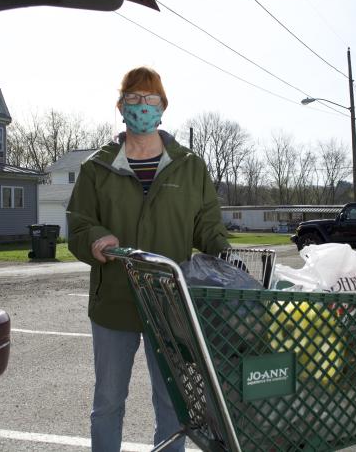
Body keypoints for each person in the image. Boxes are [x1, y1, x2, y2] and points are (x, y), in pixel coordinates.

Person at [66, 66, 229, 452]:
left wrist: (224, 253)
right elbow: (77, 225)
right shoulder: (96, 167)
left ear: (163, 107)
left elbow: (208, 226)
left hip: (170, 305)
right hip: (114, 304)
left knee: (172, 405)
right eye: (134, 99)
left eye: (150, 99)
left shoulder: (189, 166)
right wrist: (93, 238)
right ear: (120, 107)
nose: (142, 106)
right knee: (108, 401)